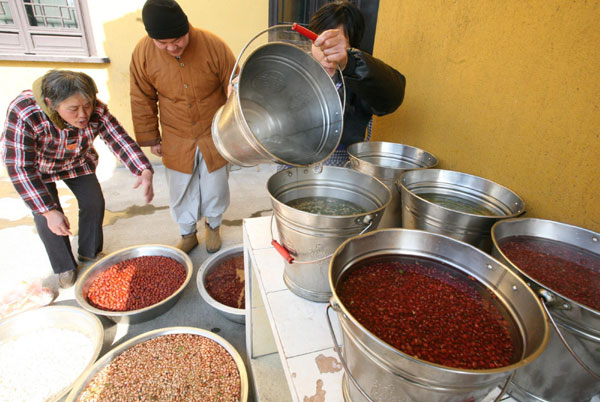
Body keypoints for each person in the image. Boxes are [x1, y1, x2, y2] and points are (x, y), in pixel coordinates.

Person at [1, 70, 154, 288]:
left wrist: (142, 169)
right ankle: (65, 266)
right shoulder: (25, 112)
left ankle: (89, 254)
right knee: (49, 218)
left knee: (94, 201)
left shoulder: (96, 109)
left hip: (76, 159)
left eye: (87, 106)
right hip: (38, 166)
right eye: (73, 109)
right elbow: (20, 167)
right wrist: (47, 210)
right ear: (51, 103)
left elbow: (117, 137)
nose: (83, 115)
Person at [130, 0, 236, 254]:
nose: (172, 47)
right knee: (180, 187)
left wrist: (235, 124)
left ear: (187, 27)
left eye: (177, 39)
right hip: (176, 134)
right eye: (162, 43)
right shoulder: (143, 53)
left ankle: (213, 227)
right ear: (151, 37)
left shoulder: (213, 45)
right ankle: (188, 234)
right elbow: (141, 97)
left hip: (214, 131)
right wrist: (151, 137)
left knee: (216, 185)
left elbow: (234, 83)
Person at [309, 0, 406, 166]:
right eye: (321, 46)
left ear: (352, 48)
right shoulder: (300, 69)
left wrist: (351, 64)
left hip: (338, 167)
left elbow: (393, 95)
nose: (327, 55)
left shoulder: (361, 76)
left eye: (336, 48)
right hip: (292, 163)